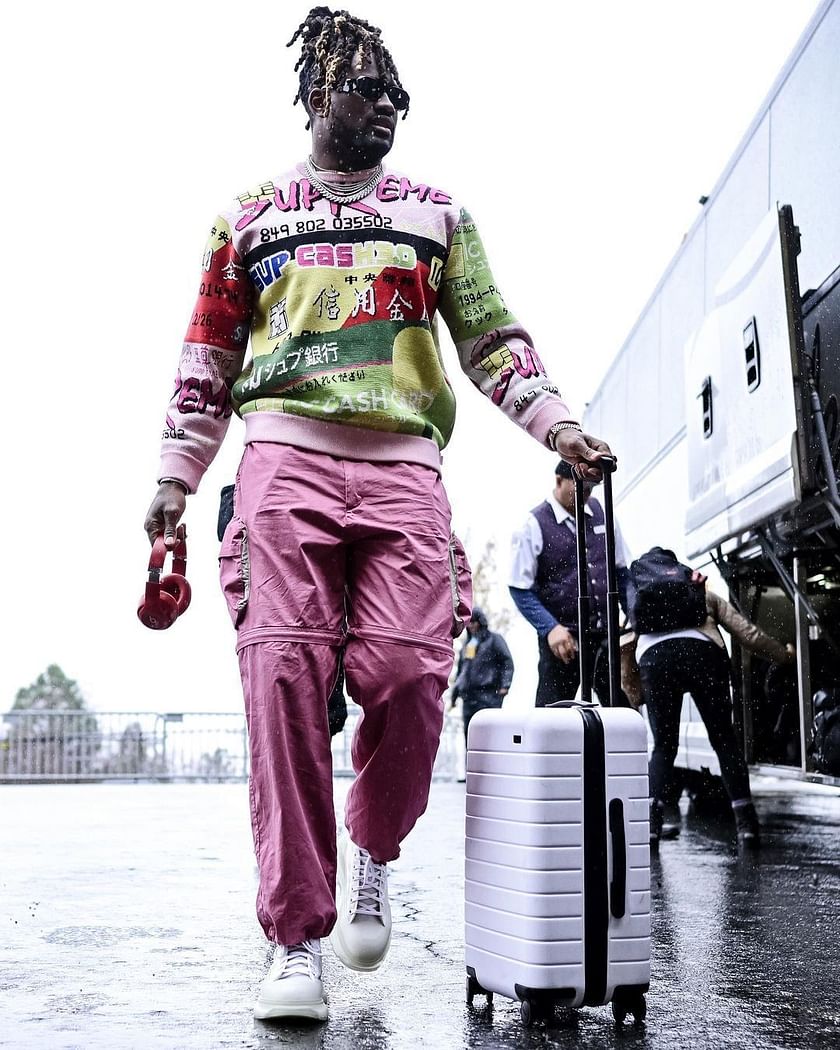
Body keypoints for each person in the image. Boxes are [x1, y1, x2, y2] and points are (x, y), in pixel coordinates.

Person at [143, 7, 612, 1023]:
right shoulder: (251, 215)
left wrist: (561, 428)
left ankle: (372, 851)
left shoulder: (437, 213)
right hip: (279, 461)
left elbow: (493, 337)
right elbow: (207, 358)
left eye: (402, 95)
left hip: (403, 468)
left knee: (407, 675)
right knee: (283, 679)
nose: (392, 107)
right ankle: (294, 938)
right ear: (317, 95)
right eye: (371, 89)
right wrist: (177, 478)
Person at [636, 562, 795, 848]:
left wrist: (635, 695)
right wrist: (783, 655)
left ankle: (650, 827)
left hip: (655, 661)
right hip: (702, 657)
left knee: (663, 747)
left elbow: (625, 651)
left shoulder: (643, 602)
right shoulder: (701, 593)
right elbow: (747, 633)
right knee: (724, 741)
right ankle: (747, 827)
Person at [508, 460, 631, 707]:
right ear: (559, 480)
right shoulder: (533, 524)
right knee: (550, 719)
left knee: (622, 715)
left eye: (590, 490)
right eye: (581, 489)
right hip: (562, 642)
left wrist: (636, 619)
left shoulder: (603, 514)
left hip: (605, 637)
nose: (586, 496)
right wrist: (550, 628)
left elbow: (621, 573)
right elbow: (520, 588)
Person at [450, 607, 514, 747]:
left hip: (489, 696)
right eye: (469, 623)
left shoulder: (494, 640)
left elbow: (507, 662)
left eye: (474, 622)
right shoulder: (467, 646)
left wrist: (505, 685)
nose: (471, 626)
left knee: (490, 737)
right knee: (471, 738)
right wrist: (454, 695)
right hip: (468, 698)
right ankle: (471, 768)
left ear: (481, 622)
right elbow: (462, 672)